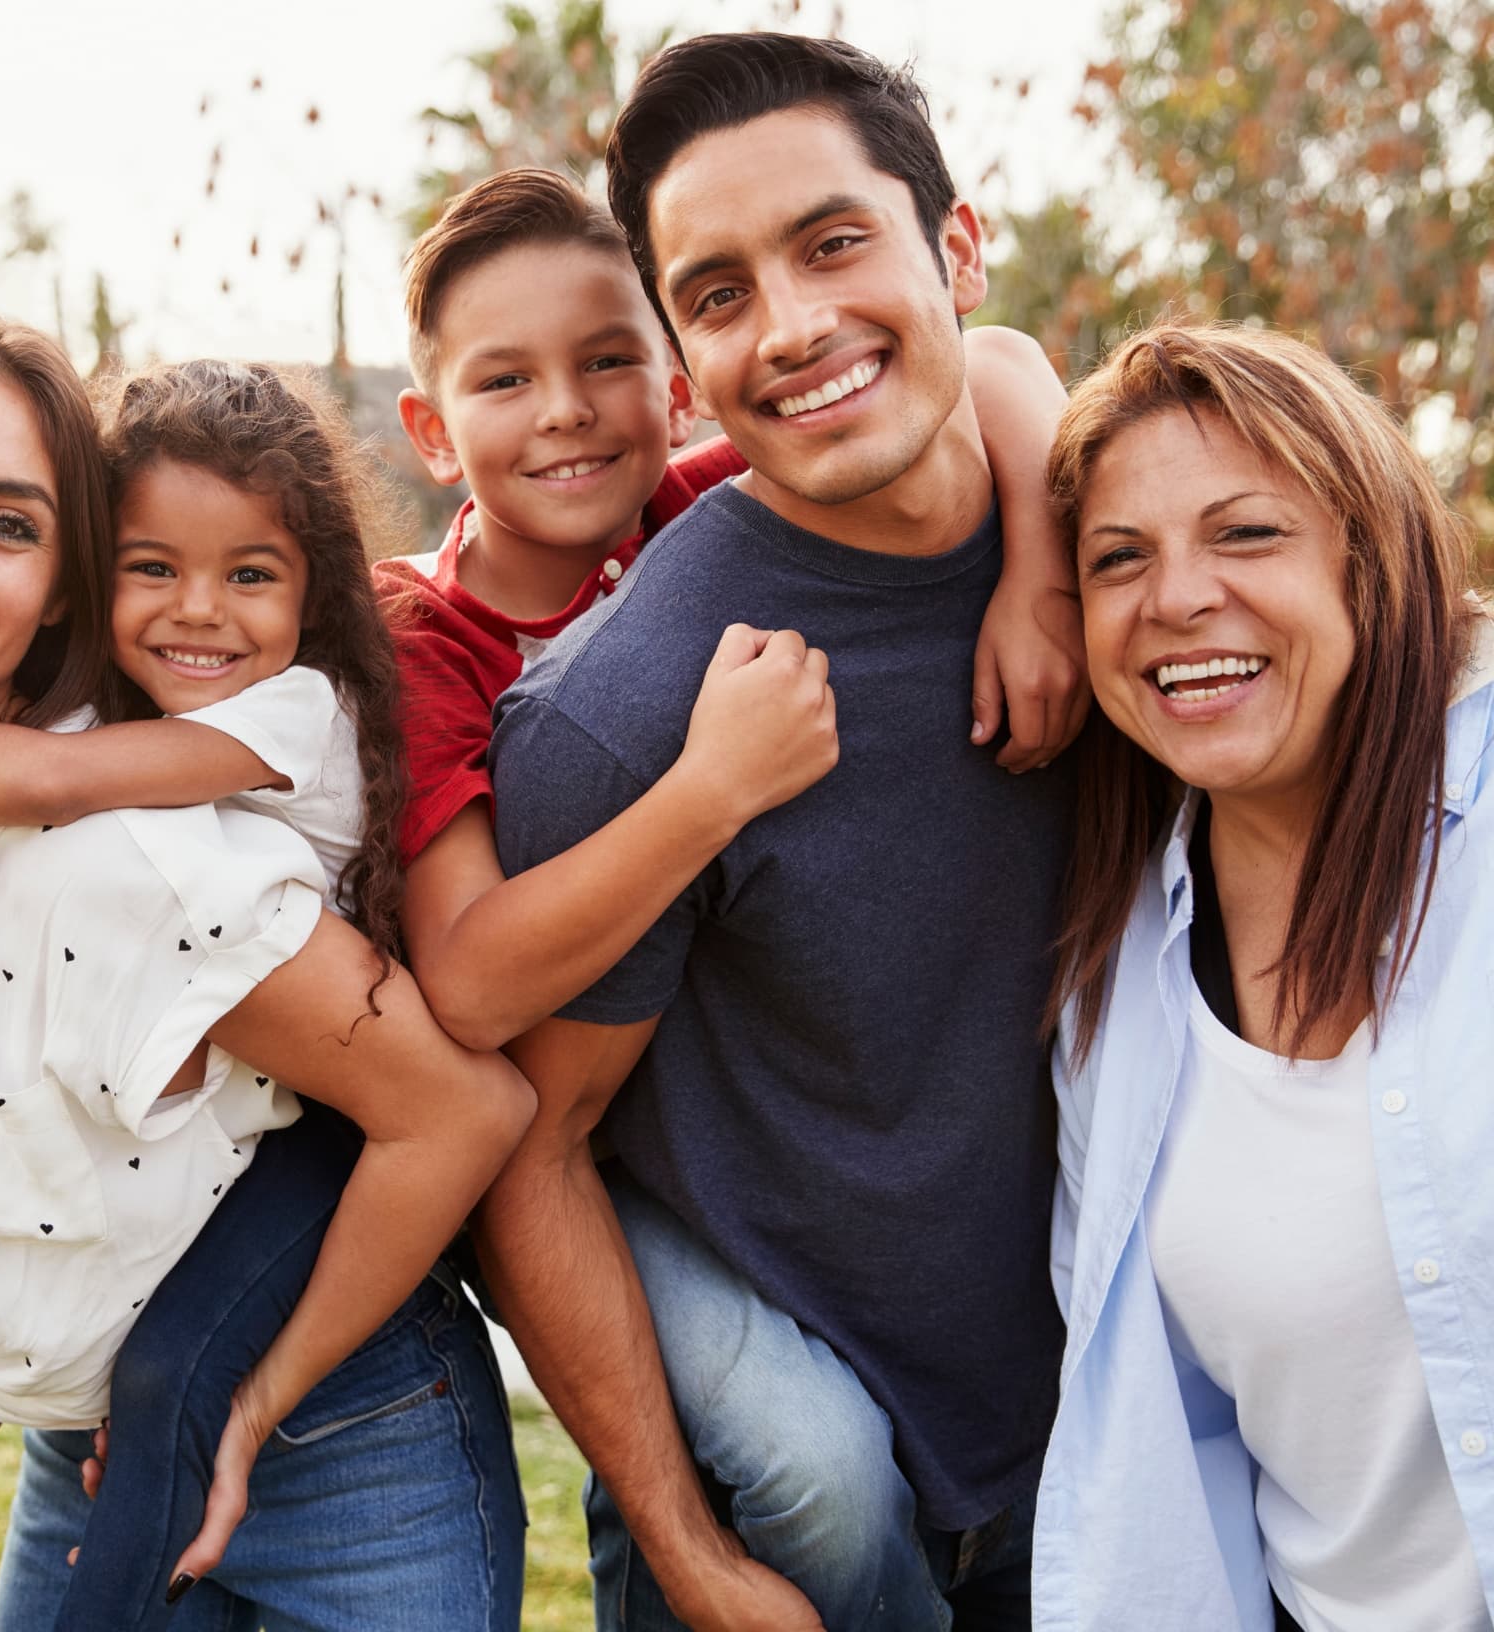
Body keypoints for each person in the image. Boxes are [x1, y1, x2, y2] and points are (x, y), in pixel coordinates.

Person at [0, 333, 538, 1632]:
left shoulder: (134, 862)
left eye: (7, 523)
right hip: (94, 1423)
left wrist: (245, 1407)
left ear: (58, 589)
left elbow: (462, 1109)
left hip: (340, 1438)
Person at [478, 34, 1085, 1632]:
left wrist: (1051, 562)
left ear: (954, 249)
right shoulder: (631, 718)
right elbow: (535, 1151)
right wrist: (688, 1546)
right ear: (683, 356)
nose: (796, 326)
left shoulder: (1120, 563)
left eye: (833, 244)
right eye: (723, 291)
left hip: (1105, 1467)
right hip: (796, 1541)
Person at [384, 167, 1083, 1055]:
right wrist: (715, 789)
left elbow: (992, 356)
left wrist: (1043, 579)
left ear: (680, 396)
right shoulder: (415, 633)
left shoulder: (701, 509)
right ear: (435, 434)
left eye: (606, 361)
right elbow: (468, 986)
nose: (565, 410)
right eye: (504, 382)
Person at [1035, 322, 1494, 1632]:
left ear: (1364, 557)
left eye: (1246, 535)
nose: (1176, 597)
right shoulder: (1107, 1009)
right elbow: (1174, 1456)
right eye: (1119, 559)